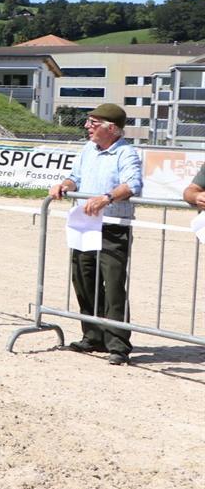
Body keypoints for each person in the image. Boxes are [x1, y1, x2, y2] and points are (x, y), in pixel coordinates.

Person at [47, 103, 142, 366]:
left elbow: (133, 184)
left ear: (111, 128)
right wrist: (64, 185)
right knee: (83, 279)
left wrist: (107, 197)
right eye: (88, 122)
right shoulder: (87, 150)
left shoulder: (126, 153)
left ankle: (118, 344)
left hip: (113, 226)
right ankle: (93, 335)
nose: (87, 126)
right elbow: (74, 176)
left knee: (112, 286)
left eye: (93, 122)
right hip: (84, 224)